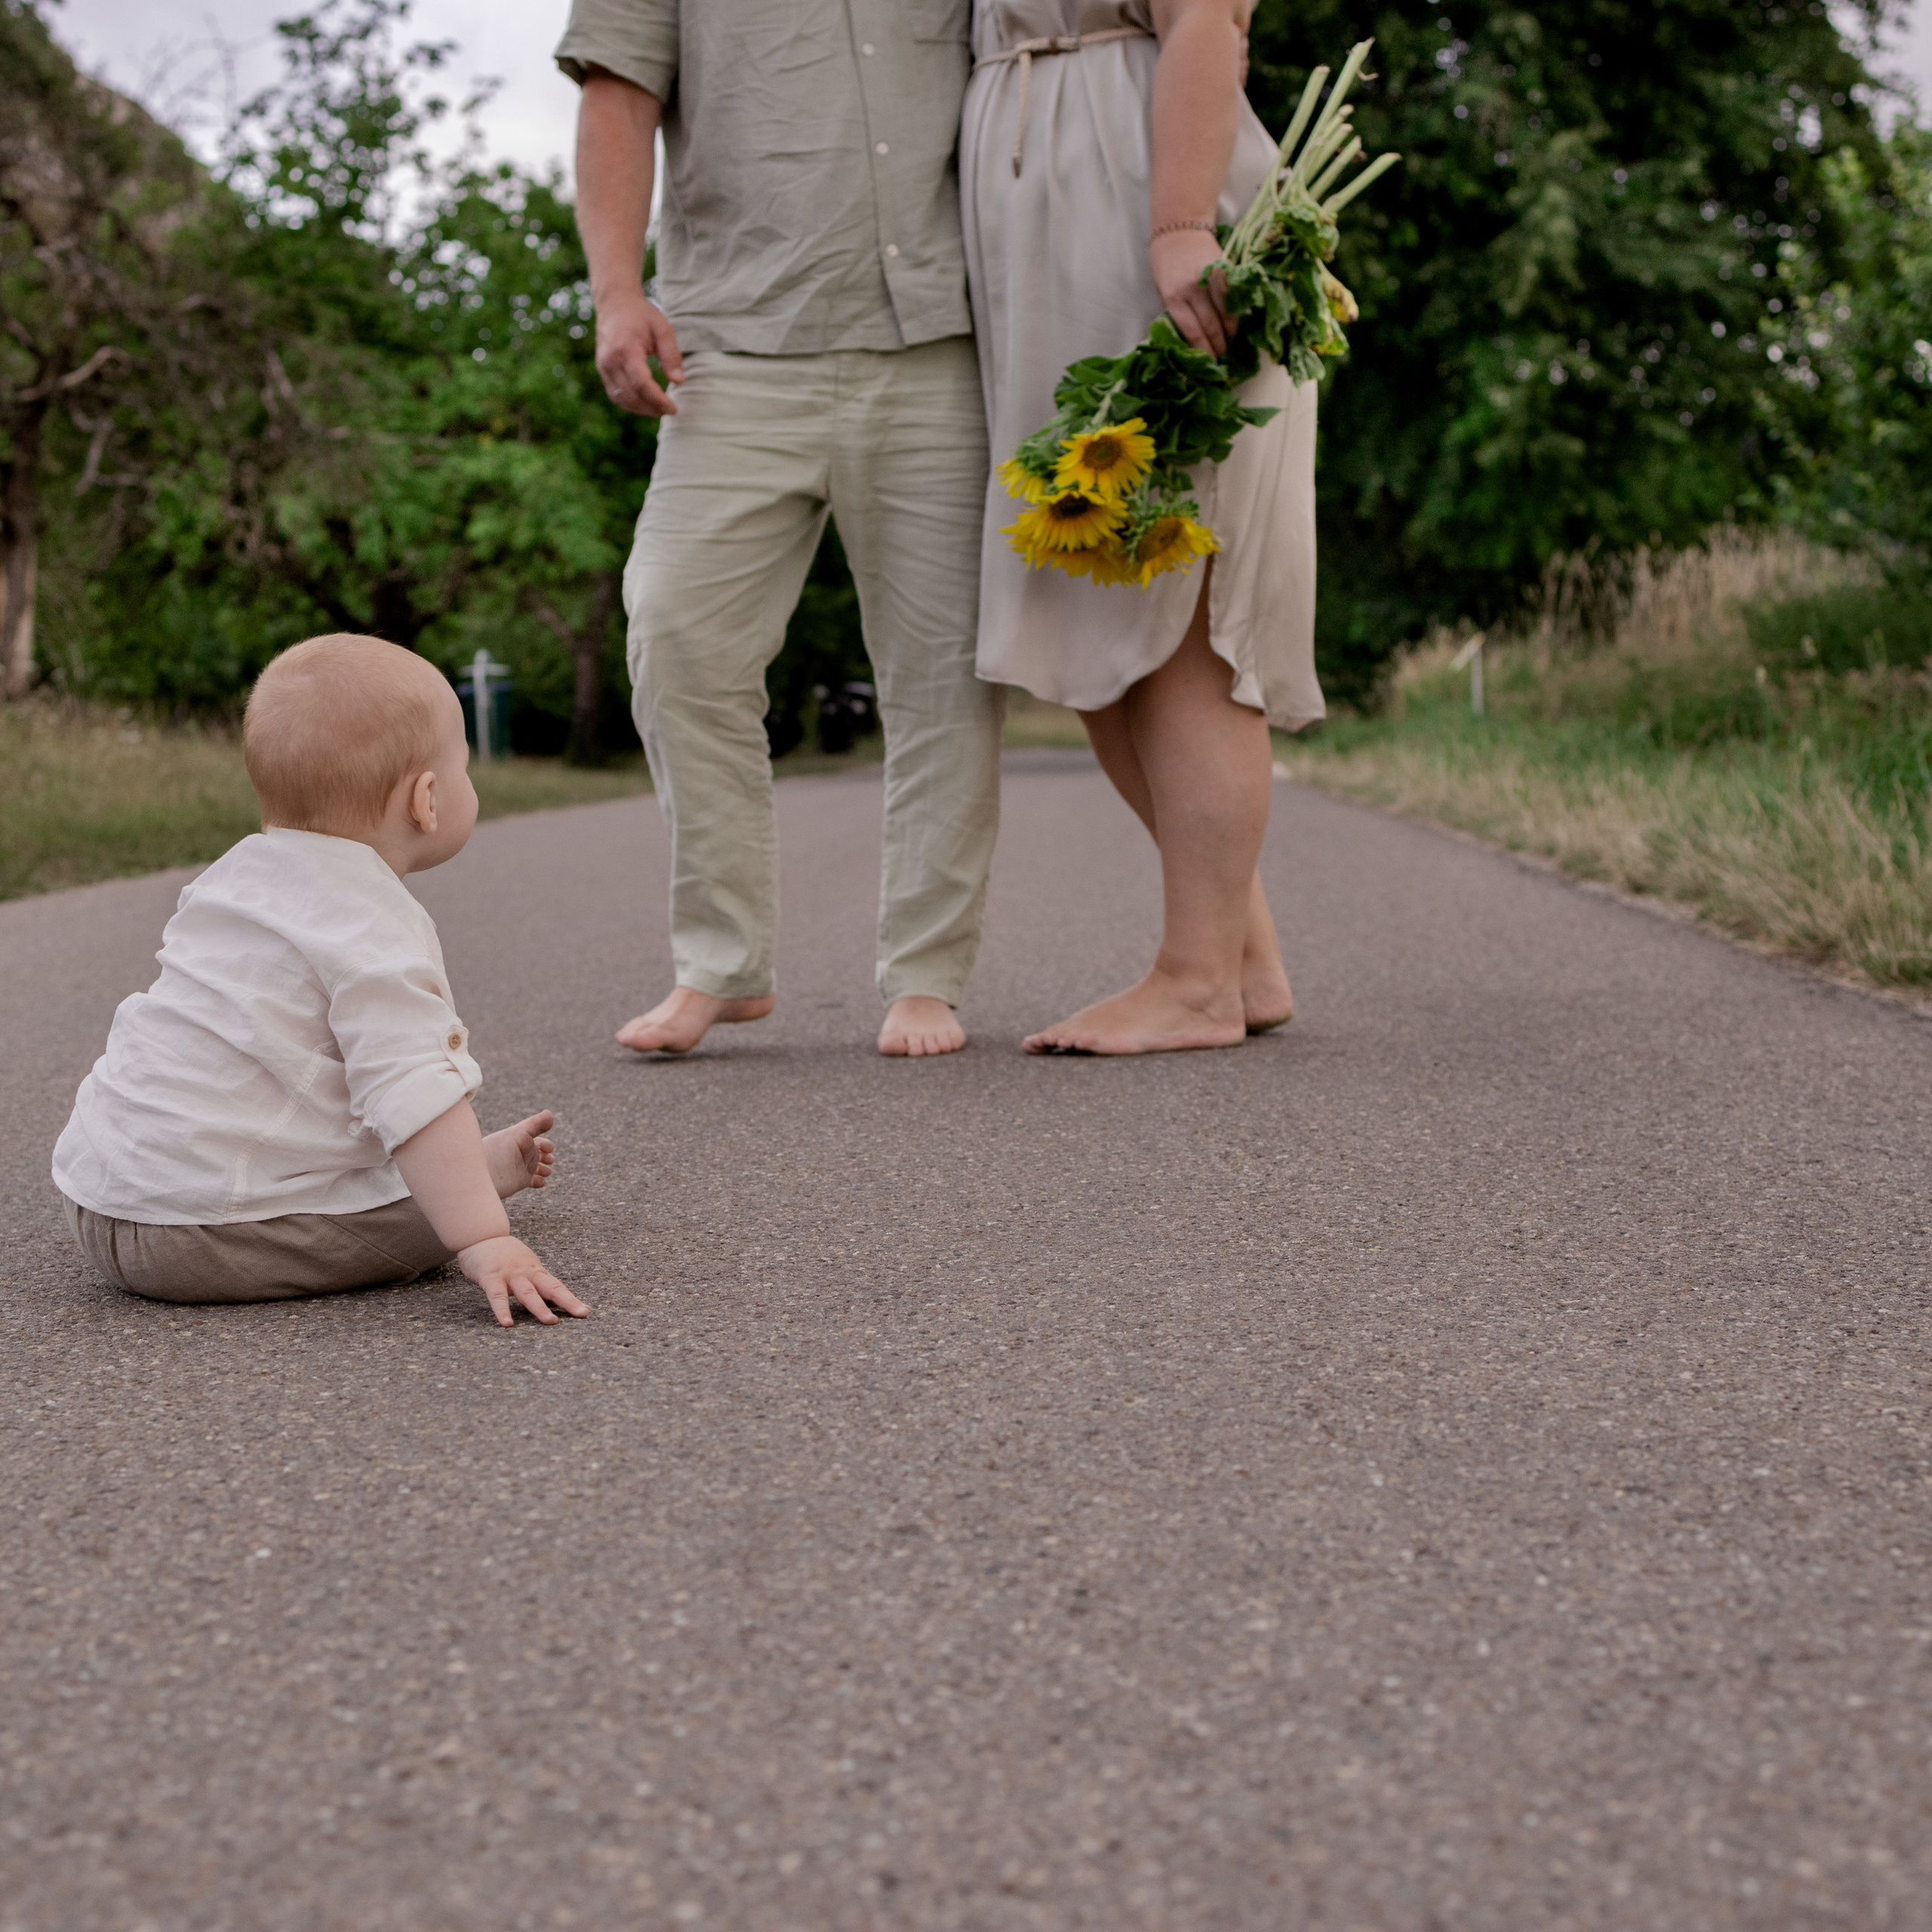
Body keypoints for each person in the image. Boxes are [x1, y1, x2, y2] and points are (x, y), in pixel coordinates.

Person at [557, 0, 1004, 1060]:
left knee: (942, 670)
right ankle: (721, 962)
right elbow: (618, 96)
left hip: (938, 334)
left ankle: (927, 974)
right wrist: (616, 292)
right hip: (735, 340)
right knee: (673, 628)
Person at [963, 0, 1323, 1054]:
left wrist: (1180, 224)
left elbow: (1206, 13)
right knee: (1099, 609)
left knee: (1178, 600)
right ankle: (1239, 961)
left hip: (1136, 193)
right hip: (1050, 226)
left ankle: (1196, 980)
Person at [51, 635, 588, 1330]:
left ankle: (464, 1172)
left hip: (100, 1199)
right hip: (200, 1237)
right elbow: (412, 1088)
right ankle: (475, 1181)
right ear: (426, 799)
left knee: (380, 1156)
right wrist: (487, 1239)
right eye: (463, 771)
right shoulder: (372, 925)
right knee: (435, 1216)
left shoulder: (234, 878)